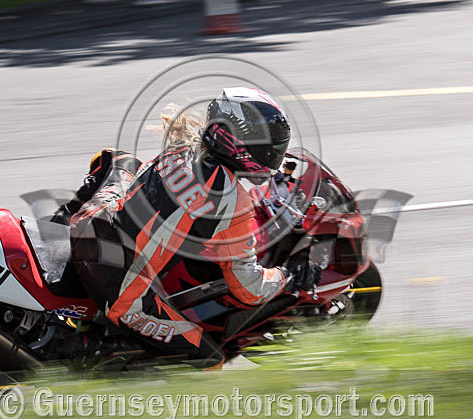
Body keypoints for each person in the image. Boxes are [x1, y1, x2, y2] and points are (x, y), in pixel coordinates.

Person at [55, 87, 321, 367]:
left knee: (121, 160)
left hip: (90, 222)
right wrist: (289, 276)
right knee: (208, 358)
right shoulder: (233, 201)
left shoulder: (185, 145)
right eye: (269, 147)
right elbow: (249, 288)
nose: (273, 154)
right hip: (115, 281)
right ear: (242, 144)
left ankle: (61, 218)